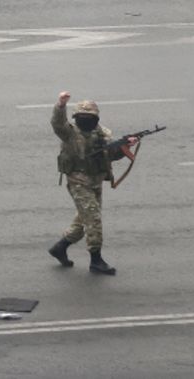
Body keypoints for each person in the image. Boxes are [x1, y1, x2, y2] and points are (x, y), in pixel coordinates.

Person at [48, 92, 135, 275]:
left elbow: (111, 155)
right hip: (78, 181)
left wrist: (125, 146)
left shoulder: (102, 134)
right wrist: (61, 105)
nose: (86, 121)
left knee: (83, 221)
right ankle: (96, 260)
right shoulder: (69, 133)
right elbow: (57, 123)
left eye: (89, 117)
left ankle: (60, 247)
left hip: (96, 181)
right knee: (93, 219)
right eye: (82, 117)